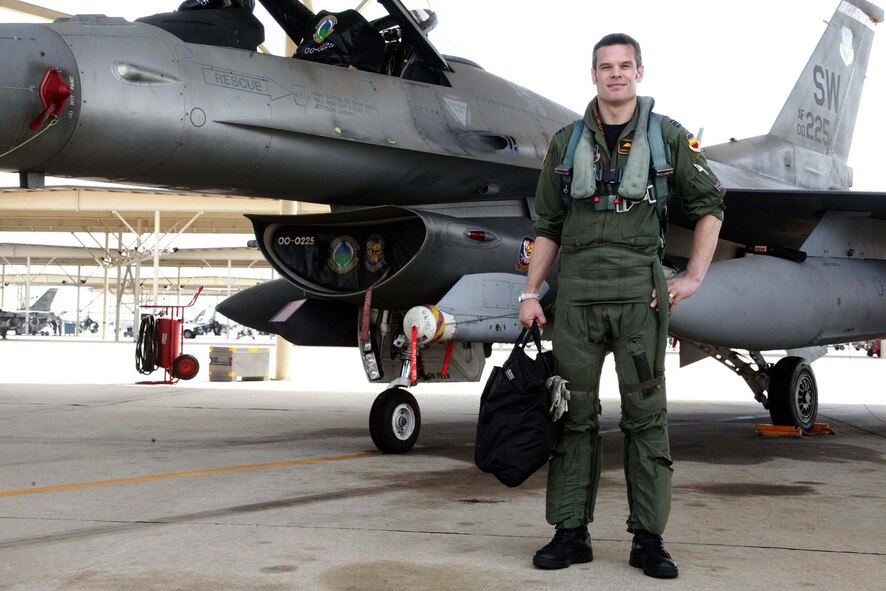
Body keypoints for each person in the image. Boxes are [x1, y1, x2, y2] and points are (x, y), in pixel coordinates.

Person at [519, 33, 725, 579]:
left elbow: (711, 205)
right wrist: (529, 294)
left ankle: (649, 540)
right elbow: (547, 226)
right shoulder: (565, 143)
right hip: (578, 301)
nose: (616, 75)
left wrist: (694, 276)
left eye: (624, 66)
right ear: (593, 75)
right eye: (606, 67)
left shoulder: (668, 138)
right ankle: (570, 532)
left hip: (640, 299)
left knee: (645, 418)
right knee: (572, 417)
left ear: (639, 72)